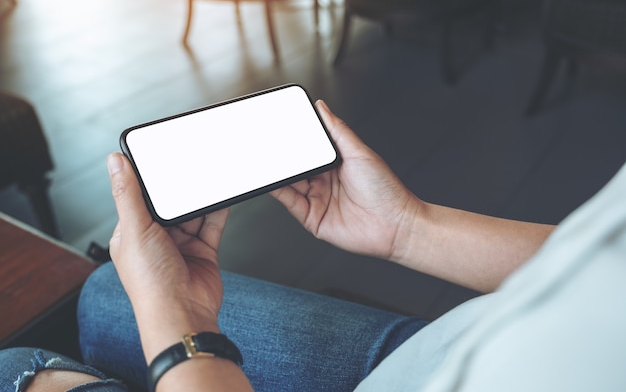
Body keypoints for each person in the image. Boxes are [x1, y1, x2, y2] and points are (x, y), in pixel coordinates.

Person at [2, 100, 625, 391]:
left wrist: (181, 326)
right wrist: (408, 228)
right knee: (108, 289)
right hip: (457, 348)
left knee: (15, 369)